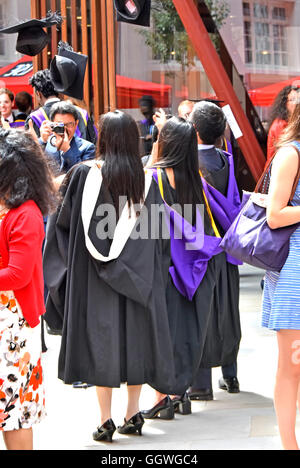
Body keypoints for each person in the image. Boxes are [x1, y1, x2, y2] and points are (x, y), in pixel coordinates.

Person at [43, 109, 176, 442]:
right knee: (135, 341)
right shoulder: (147, 180)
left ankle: (105, 420)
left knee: (102, 343)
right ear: (133, 139)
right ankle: (133, 414)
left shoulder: (83, 175)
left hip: (93, 281)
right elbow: (158, 236)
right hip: (137, 278)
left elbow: (62, 228)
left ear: (101, 138)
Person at [140, 112, 222, 419]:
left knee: (162, 335)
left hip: (164, 269)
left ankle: (164, 397)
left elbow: (145, 227)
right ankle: (179, 394)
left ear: (165, 144)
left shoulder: (156, 178)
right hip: (195, 270)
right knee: (185, 331)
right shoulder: (196, 179)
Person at [0, 128, 57, 450]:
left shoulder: (26, 214)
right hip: (8, 324)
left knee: (16, 410)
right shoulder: (10, 207)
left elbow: (17, 275)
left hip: (14, 329)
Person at [187, 101, 242, 401]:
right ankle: (230, 376)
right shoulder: (227, 159)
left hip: (200, 250)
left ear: (194, 130)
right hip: (227, 247)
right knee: (228, 311)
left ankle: (200, 384)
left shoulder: (187, 163)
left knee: (202, 314)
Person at [262, 103, 300, 450]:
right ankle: (290, 445)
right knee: (292, 364)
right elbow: (275, 215)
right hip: (295, 269)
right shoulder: (291, 154)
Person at [25, 69, 97, 144]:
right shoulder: (82, 113)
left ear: (38, 94)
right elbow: (93, 143)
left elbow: (31, 152)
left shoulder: (34, 118)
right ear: (59, 90)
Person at [39, 100, 95, 174]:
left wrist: (67, 151)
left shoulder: (87, 148)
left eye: (69, 124)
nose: (65, 129)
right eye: (60, 125)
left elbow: (83, 176)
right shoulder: (46, 143)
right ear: (52, 123)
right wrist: (42, 141)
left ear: (76, 124)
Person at [266, 85, 299, 167]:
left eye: (298, 100)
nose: (296, 103)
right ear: (285, 104)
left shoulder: (292, 123)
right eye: (292, 100)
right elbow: (286, 152)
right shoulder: (280, 125)